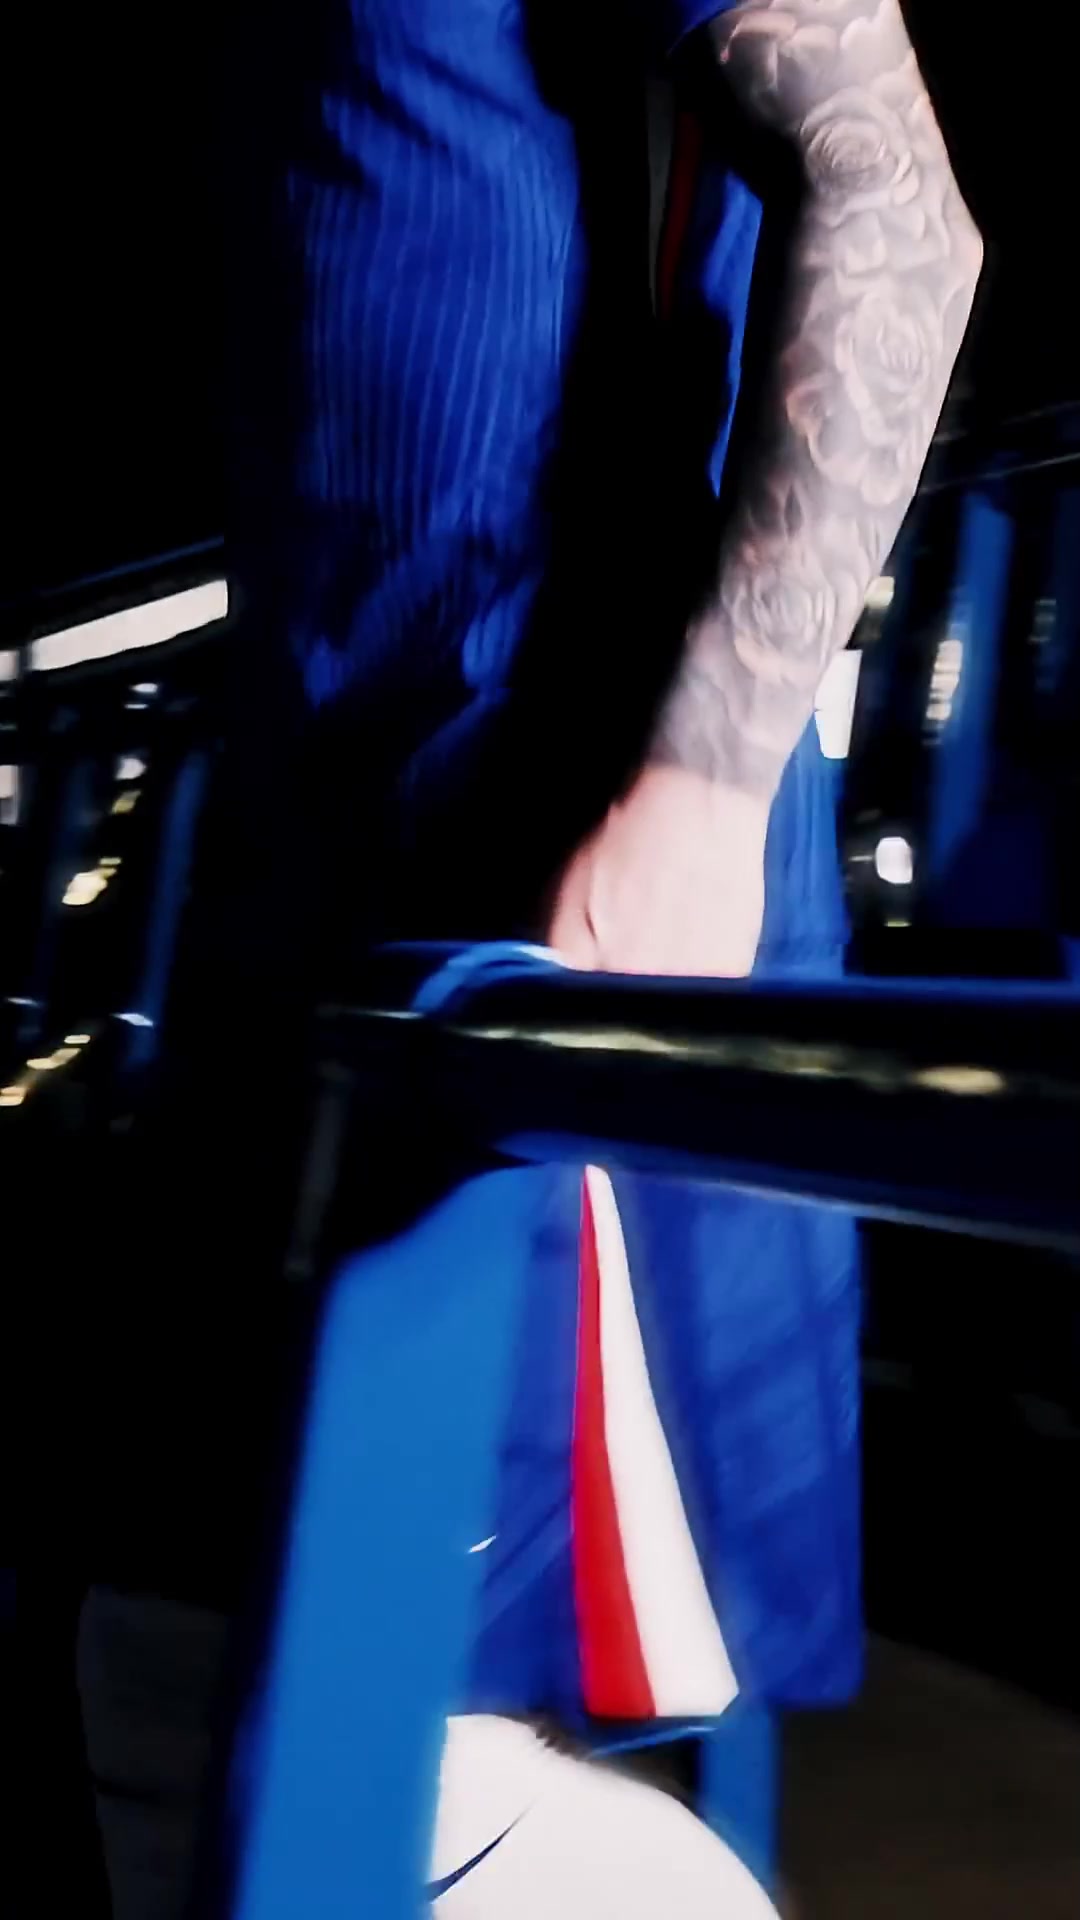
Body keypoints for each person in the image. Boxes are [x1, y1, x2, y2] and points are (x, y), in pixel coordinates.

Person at [80, 2, 982, 1914]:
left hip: (545, 904)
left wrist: (703, 784)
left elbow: (898, 195)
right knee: (179, 1664)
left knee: (406, 1746)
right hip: (326, 899)